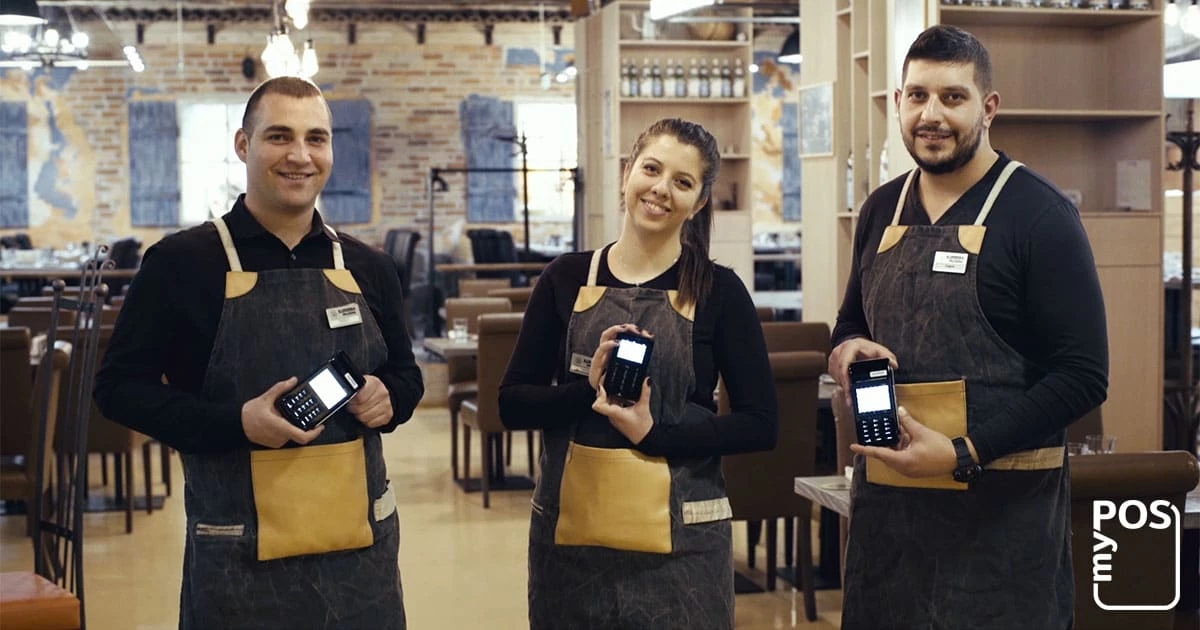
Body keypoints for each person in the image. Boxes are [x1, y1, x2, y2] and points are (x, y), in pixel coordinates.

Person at [94, 76, 422, 629]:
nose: (300, 156)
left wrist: (390, 396)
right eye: (279, 136)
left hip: (359, 558)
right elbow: (118, 390)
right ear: (243, 145)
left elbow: (407, 376)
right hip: (235, 558)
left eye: (316, 138)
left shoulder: (369, 267)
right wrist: (237, 422)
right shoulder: (180, 264)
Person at [828, 25, 1108, 629]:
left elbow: (1083, 376)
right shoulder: (881, 209)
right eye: (917, 96)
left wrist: (963, 452)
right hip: (890, 527)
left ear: (988, 107)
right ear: (898, 101)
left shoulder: (1040, 214)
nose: (931, 115)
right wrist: (846, 348)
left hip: (1002, 528)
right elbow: (851, 319)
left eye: (952, 97)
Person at [498, 118, 778, 629]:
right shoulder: (564, 279)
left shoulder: (720, 292)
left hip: (685, 550)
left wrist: (655, 436)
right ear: (626, 172)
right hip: (572, 545)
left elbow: (760, 424)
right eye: (651, 169)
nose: (661, 189)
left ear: (698, 202)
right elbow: (512, 404)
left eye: (682, 181)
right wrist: (588, 390)